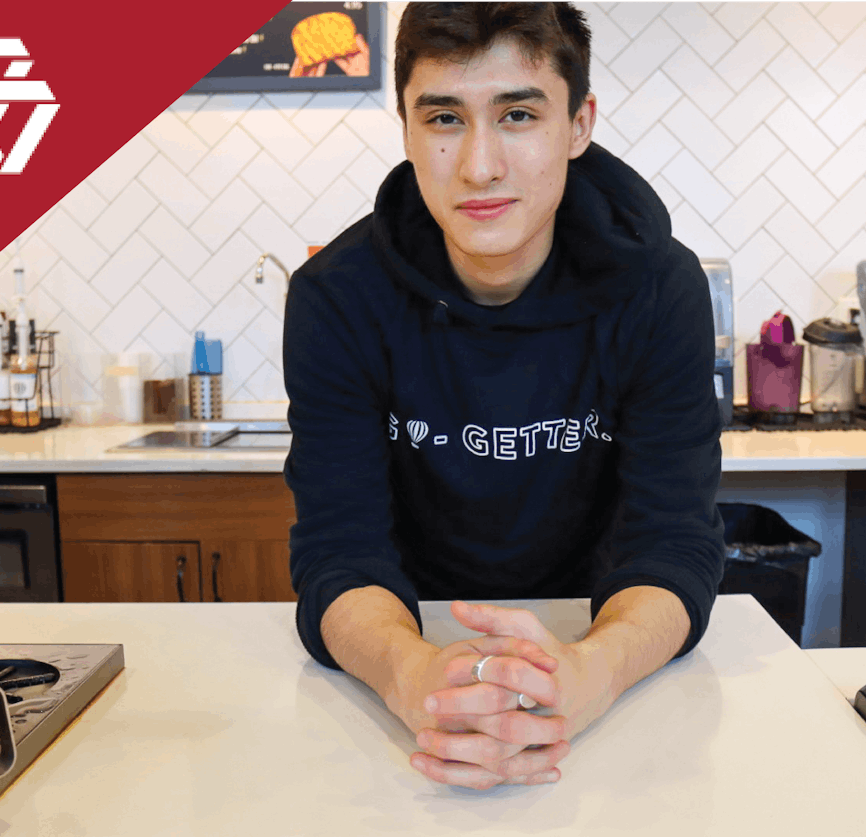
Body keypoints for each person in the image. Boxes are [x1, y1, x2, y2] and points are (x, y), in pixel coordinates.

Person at [282, 1, 724, 790]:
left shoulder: (661, 288)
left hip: (602, 647)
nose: (479, 164)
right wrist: (410, 674)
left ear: (578, 124)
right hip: (403, 642)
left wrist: (590, 673)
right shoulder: (337, 297)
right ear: (407, 129)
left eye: (517, 113)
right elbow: (338, 551)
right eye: (444, 116)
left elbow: (674, 540)